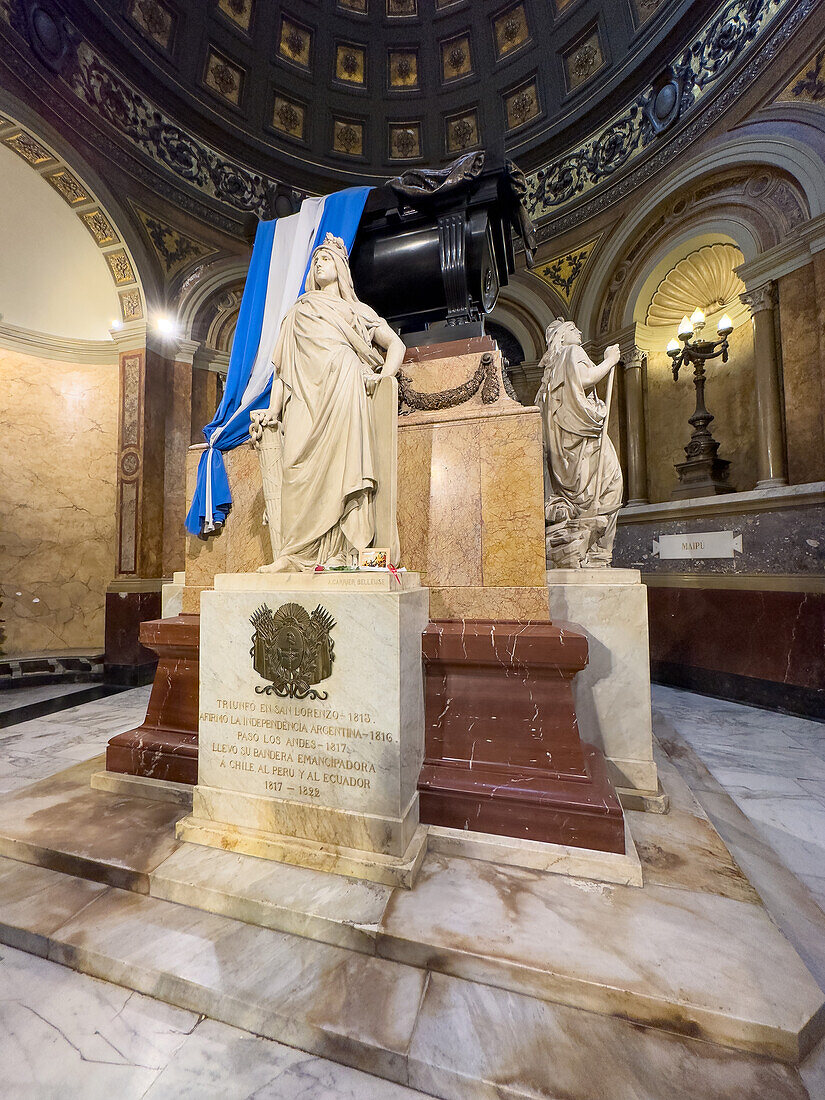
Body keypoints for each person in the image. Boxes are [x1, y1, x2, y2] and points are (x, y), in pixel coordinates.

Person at [256, 233, 405, 571]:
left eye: (324, 259)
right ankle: (294, 555)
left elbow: (396, 346)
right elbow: (283, 370)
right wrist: (273, 409)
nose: (318, 263)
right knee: (296, 467)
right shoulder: (299, 311)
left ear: (339, 266)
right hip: (304, 400)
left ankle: (346, 553)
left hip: (344, 390)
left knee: (346, 471)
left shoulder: (356, 310)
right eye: (315, 260)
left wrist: (384, 377)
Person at [537, 319, 623, 568]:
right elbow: (585, 379)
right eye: (574, 330)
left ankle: (587, 550)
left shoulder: (548, 374)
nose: (581, 332)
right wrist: (609, 360)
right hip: (584, 440)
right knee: (612, 482)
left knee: (584, 497)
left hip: (564, 449)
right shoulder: (572, 352)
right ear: (561, 338)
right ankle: (598, 553)